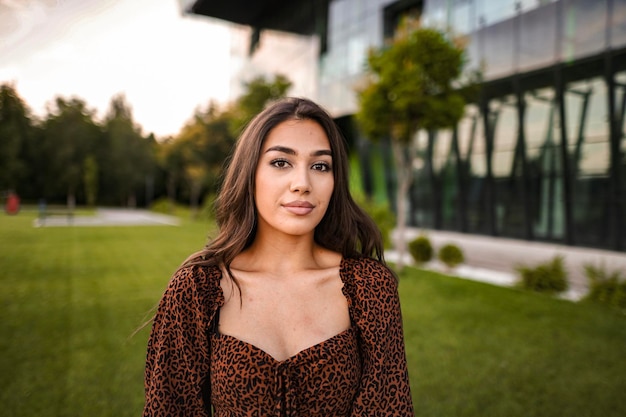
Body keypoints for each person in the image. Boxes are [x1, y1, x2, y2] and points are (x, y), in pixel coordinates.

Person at [143, 97, 414, 416]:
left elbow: (388, 409)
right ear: (250, 173)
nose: (303, 184)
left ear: (335, 181)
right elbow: (169, 409)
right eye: (281, 162)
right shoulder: (196, 289)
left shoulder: (370, 287)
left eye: (320, 166)